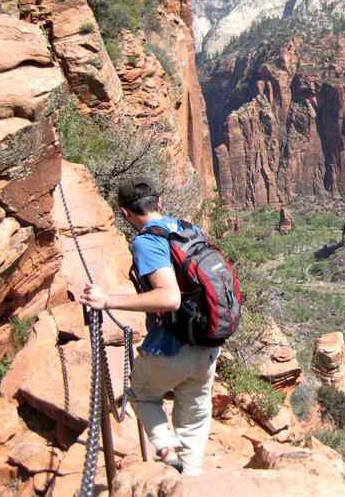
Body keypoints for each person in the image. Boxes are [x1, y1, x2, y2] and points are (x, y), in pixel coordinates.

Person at [79, 177, 218, 476]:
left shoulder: (147, 241)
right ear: (160, 203)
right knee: (194, 419)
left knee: (141, 395)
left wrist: (107, 301)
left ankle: (167, 452)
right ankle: (189, 482)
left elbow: (169, 298)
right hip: (208, 343)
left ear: (125, 213)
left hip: (172, 346)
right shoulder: (187, 228)